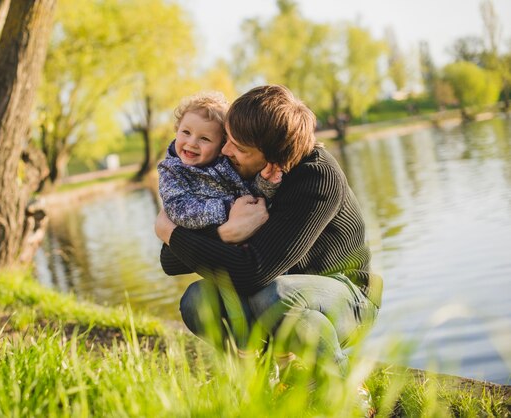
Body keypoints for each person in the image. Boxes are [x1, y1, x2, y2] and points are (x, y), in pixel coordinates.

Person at [155, 85, 383, 384]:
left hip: (346, 298)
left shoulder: (317, 178)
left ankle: (343, 390)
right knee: (198, 299)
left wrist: (170, 232)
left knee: (274, 296)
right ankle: (265, 382)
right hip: (280, 291)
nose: (225, 151)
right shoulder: (243, 172)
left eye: (238, 147)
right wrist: (224, 232)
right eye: (227, 140)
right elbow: (172, 260)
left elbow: (254, 272)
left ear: (272, 157)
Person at [157, 91, 282, 345]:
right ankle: (249, 358)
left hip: (251, 248)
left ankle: (285, 351)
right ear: (176, 129)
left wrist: (267, 184)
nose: (191, 143)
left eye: (204, 138)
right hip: (218, 254)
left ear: (222, 143)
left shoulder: (227, 163)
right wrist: (229, 210)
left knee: (272, 290)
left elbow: (253, 198)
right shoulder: (173, 172)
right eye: (186, 132)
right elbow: (180, 211)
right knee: (232, 302)